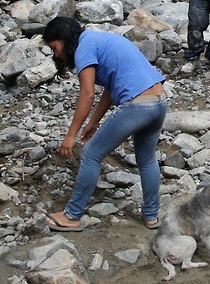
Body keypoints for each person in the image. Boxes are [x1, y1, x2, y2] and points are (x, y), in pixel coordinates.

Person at [42, 16, 167, 232]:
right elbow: (111, 87)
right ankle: (151, 216)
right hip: (159, 102)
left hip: (137, 105)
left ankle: (72, 215)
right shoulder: (100, 40)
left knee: (91, 154)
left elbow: (88, 94)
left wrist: (71, 135)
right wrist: (93, 122)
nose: (57, 54)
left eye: (55, 47)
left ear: (63, 38)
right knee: (146, 159)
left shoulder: (83, 47)